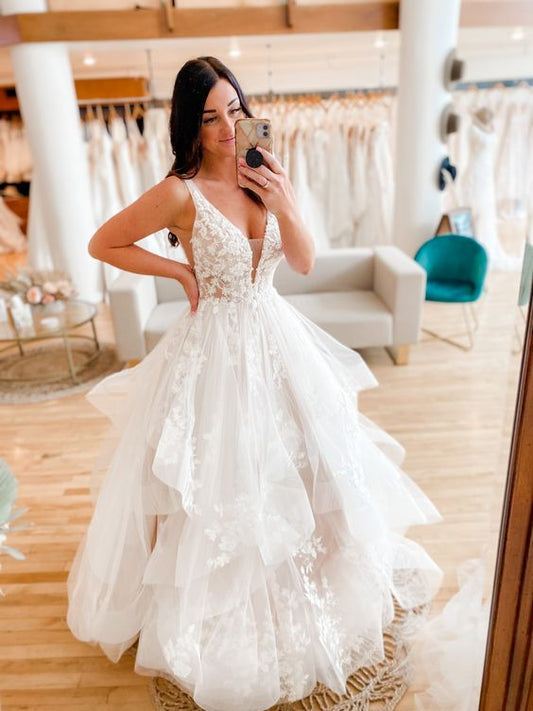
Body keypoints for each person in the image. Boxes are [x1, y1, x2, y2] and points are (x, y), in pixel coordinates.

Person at [67, 57, 443, 711]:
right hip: (213, 350)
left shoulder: (263, 173)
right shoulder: (178, 193)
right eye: (209, 116)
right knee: (222, 486)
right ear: (189, 124)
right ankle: (221, 609)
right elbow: (103, 243)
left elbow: (302, 260)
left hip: (276, 335)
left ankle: (317, 587)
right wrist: (178, 272)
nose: (225, 127)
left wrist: (284, 197)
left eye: (234, 110)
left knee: (311, 468)